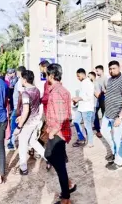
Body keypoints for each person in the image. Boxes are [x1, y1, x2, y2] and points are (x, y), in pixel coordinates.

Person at [45, 63, 76, 204]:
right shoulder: (61, 90)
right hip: (59, 132)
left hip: (58, 133)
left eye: (46, 74)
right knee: (51, 157)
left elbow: (61, 117)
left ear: (51, 75)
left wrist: (52, 132)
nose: (46, 77)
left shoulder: (57, 92)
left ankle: (66, 198)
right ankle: (68, 184)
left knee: (57, 163)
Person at [12, 70, 45, 175]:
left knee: (22, 145)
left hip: (28, 123)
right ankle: (49, 158)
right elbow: (34, 107)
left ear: (24, 79)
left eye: (21, 78)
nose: (20, 80)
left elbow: (26, 110)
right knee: (32, 142)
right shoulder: (36, 90)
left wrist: (19, 126)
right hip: (35, 121)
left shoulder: (25, 93)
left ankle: (23, 168)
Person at [102, 61, 122, 170]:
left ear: (119, 68)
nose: (111, 70)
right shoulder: (109, 80)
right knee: (104, 132)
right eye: (110, 69)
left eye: (114, 68)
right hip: (107, 113)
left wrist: (119, 117)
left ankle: (119, 162)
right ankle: (114, 151)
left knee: (117, 138)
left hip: (117, 115)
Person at [72, 68, 95, 148]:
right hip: (81, 107)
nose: (77, 78)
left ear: (82, 74)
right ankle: (82, 138)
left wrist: (78, 98)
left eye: (78, 76)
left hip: (87, 108)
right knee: (76, 122)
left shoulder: (89, 83)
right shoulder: (83, 83)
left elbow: (89, 96)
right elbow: (82, 96)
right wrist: (77, 100)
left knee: (87, 125)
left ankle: (91, 142)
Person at [7, 66, 26, 150]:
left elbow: (21, 95)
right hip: (20, 107)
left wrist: (17, 109)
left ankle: (11, 143)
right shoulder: (24, 81)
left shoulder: (20, 82)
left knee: (14, 125)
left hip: (17, 107)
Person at [87, 71, 102, 138]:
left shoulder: (96, 83)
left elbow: (98, 95)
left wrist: (92, 91)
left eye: (89, 76)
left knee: (95, 117)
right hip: (90, 103)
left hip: (95, 103)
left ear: (93, 76)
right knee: (91, 117)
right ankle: (94, 128)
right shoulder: (91, 83)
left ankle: (98, 131)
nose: (88, 77)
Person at [95, 65, 108, 132]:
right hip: (97, 98)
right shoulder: (97, 79)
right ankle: (97, 127)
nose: (96, 72)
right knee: (95, 113)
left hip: (103, 97)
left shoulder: (105, 78)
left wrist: (102, 92)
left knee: (104, 113)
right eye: (96, 71)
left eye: (97, 71)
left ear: (101, 70)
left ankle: (104, 128)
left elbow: (107, 89)